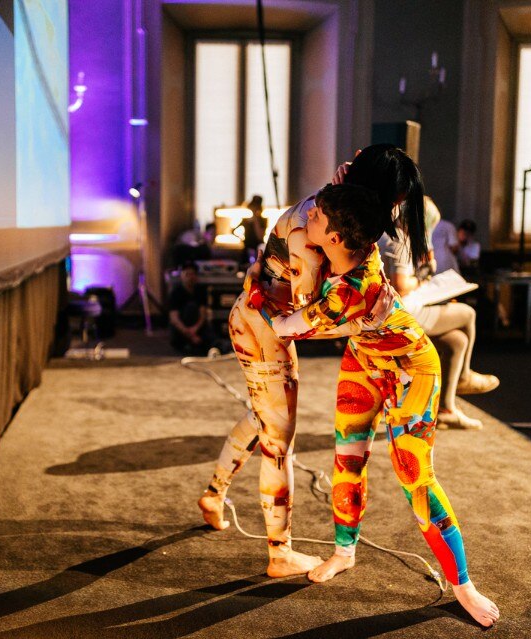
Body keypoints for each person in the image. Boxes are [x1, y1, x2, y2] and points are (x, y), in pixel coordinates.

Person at [253, 183, 499, 628]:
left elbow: (287, 327)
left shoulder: (350, 291)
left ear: (334, 237)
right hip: (364, 360)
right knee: (347, 459)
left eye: (317, 217)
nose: (309, 217)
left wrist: (258, 296)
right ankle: (344, 552)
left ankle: (463, 585)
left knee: (416, 480)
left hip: (411, 370)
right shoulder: (357, 248)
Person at [198, 145, 429, 579]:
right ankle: (279, 552)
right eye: (393, 202)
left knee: (265, 418)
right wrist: (362, 318)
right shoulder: (318, 230)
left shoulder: (330, 206)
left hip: (259, 319)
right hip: (265, 327)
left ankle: (214, 493)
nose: (393, 213)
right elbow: (304, 318)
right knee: (278, 440)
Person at [378, 230, 499, 429]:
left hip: (391, 314)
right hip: (402, 315)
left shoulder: (385, 236)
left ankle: (445, 410)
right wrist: (422, 279)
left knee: (457, 342)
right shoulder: (398, 240)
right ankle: (464, 376)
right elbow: (401, 285)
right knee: (468, 313)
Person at [167, 262, 217, 355]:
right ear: (182, 276)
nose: (190, 277)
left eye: (193, 274)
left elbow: (203, 314)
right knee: (190, 308)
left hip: (196, 327)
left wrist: (195, 329)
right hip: (182, 327)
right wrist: (190, 334)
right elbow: (174, 318)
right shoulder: (175, 292)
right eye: (187, 274)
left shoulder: (200, 290)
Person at [240, 195, 267, 261]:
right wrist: (242, 239)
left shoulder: (262, 220)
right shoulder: (246, 220)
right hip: (247, 248)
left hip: (258, 249)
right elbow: (233, 230)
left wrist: (255, 220)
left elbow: (260, 236)